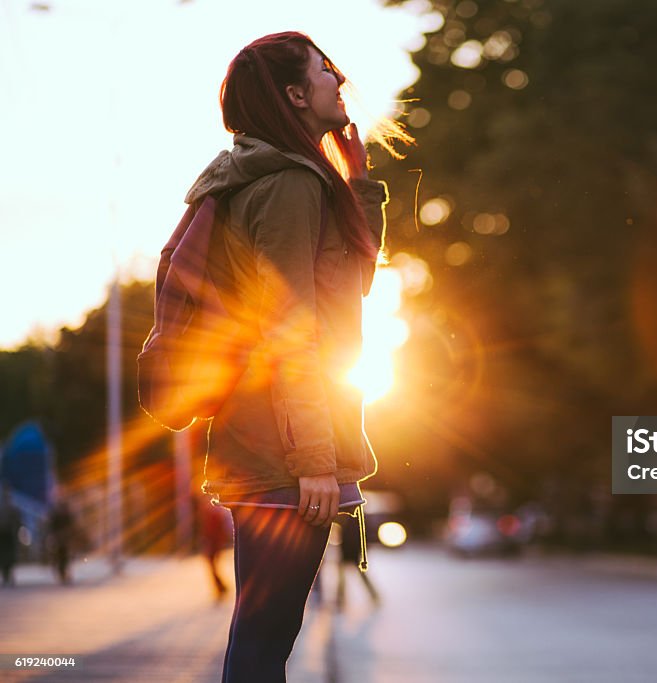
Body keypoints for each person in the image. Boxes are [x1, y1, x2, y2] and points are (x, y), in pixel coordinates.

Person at [184, 32, 410, 682]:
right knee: (260, 650)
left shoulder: (282, 177)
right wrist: (314, 459)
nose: (338, 81)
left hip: (270, 444)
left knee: (262, 645)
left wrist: (359, 182)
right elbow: (292, 329)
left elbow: (344, 290)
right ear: (293, 94)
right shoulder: (286, 184)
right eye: (323, 71)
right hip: (284, 452)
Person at [0, 483, 22, 587]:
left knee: (10, 555)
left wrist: (17, 530)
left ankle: (9, 575)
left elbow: (18, 520)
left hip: (9, 533)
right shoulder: (9, 506)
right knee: (4, 555)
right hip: (3, 534)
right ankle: (6, 576)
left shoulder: (12, 506)